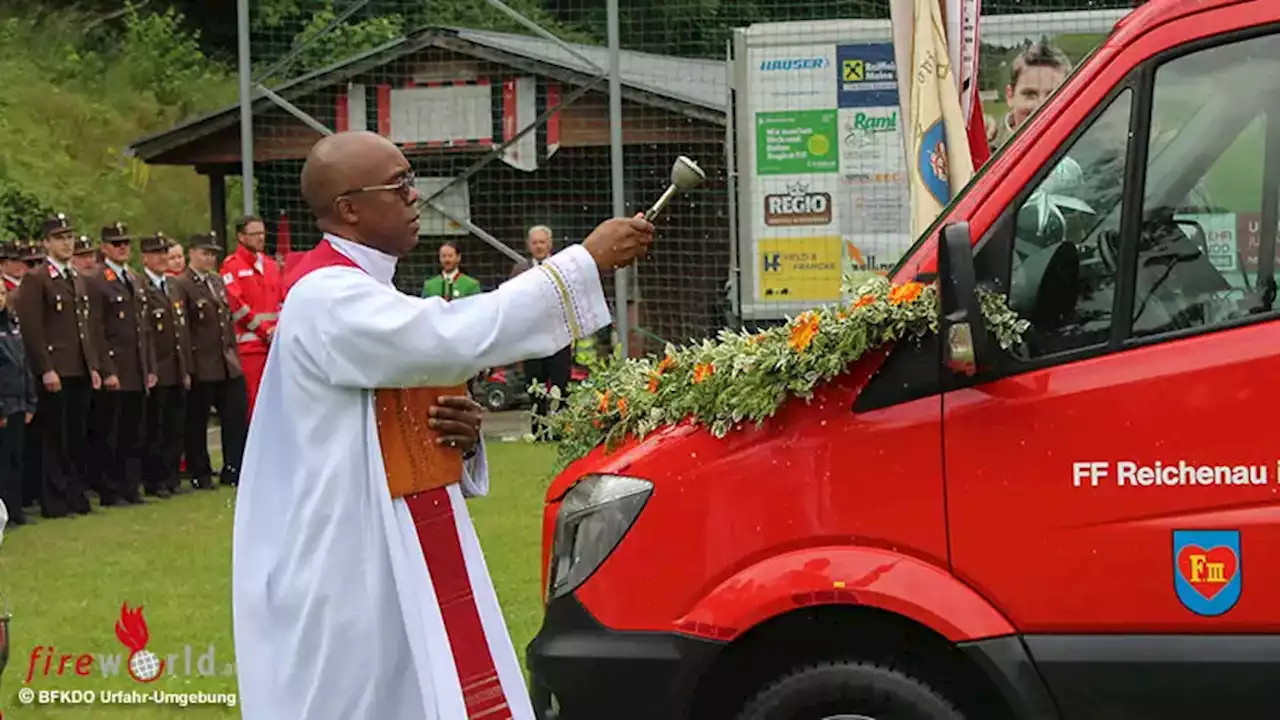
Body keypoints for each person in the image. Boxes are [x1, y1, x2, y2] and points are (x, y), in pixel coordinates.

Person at [231, 130, 653, 720]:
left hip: (393, 532)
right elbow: (448, 338)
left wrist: (463, 433)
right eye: (399, 185)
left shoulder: (368, 289)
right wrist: (583, 263)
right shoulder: (325, 297)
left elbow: (401, 399)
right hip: (345, 549)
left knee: (430, 687)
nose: (415, 197)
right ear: (349, 208)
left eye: (413, 180)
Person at [14, 213, 100, 518]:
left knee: (75, 435)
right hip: (56, 368)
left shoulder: (76, 277)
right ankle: (54, 500)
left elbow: (84, 327)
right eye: (61, 238)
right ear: (46, 242)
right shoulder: (38, 278)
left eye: (70, 237)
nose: (67, 243)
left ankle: (74, 494)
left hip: (78, 367)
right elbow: (33, 327)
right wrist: (45, 367)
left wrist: (93, 365)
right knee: (54, 437)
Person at [86, 223, 153, 505]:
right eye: (116, 244)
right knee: (110, 432)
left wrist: (149, 367)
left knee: (133, 431)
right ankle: (109, 489)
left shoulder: (135, 279)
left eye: (125, 243)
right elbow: (96, 329)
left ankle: (129, 486)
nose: (122, 247)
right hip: (116, 366)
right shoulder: (98, 280)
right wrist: (107, 369)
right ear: (104, 248)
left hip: (136, 367)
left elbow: (143, 328)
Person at [176, 232, 248, 489]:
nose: (209, 258)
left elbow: (226, 322)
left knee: (235, 416)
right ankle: (200, 472)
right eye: (204, 253)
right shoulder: (182, 284)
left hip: (226, 361)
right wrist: (187, 364)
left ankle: (234, 467)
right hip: (201, 362)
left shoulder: (217, 282)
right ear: (191, 253)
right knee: (197, 421)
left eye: (212, 253)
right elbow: (183, 329)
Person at [510, 225, 573, 440]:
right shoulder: (520, 270)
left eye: (542, 242)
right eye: (535, 242)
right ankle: (537, 431)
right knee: (535, 388)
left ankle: (561, 431)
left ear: (550, 244)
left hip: (559, 338)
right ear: (529, 245)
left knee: (560, 387)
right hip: (532, 341)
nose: (538, 246)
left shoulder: (562, 268)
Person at [139, 234, 190, 497]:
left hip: (176, 367)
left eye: (164, 252)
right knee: (154, 428)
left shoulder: (172, 286)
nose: (161, 258)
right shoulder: (141, 287)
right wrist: (150, 368)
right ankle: (154, 479)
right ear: (145, 258)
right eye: (156, 253)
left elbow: (182, 332)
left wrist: (186, 369)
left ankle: (171, 477)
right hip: (157, 368)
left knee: (174, 427)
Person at [220, 215, 282, 421]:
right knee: (254, 405)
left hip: (275, 347)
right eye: (254, 234)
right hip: (249, 350)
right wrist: (265, 331)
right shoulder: (231, 266)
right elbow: (237, 306)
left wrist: (279, 330)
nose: (260, 238)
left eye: (262, 232)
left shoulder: (272, 265)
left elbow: (281, 301)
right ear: (241, 236)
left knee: (277, 402)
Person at [989, 40, 1073, 152]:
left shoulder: (1082, 148)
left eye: (1053, 95)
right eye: (1030, 94)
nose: (1040, 106)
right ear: (1010, 96)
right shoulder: (983, 155)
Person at [0, 282, 37, 527]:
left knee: (15, 459)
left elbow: (23, 366)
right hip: (3, 403)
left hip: (18, 402)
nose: (0, 297)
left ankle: (15, 510)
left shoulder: (11, 324)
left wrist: (30, 402)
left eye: (2, 293)